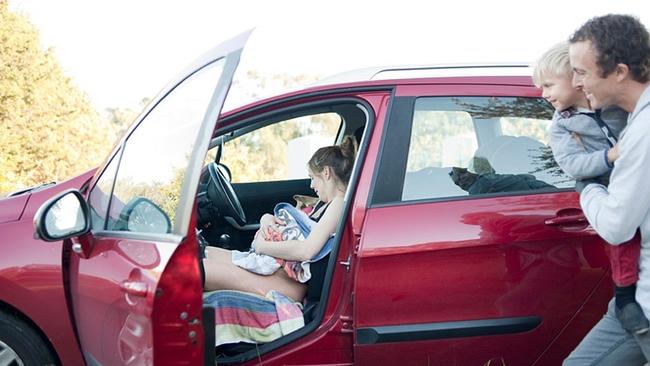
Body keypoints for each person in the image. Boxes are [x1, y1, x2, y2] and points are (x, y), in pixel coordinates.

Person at [533, 42, 647, 335]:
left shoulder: (614, 105)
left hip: (638, 184)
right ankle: (625, 298)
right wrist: (609, 157)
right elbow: (572, 165)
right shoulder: (562, 126)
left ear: (575, 78)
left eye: (548, 85)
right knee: (623, 242)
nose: (543, 94)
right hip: (608, 190)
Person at [563, 14, 650, 365]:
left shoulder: (644, 132)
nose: (575, 83)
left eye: (581, 72)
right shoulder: (635, 123)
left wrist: (587, 188)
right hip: (632, 301)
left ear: (619, 71)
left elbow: (616, 224)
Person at [202, 136, 357, 303]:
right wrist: (266, 219)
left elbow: (306, 250)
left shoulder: (339, 204)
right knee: (204, 252)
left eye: (312, 178)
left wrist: (262, 246)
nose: (311, 186)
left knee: (199, 269)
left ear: (326, 173)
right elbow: (297, 230)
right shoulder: (323, 204)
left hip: (289, 282)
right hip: (276, 270)